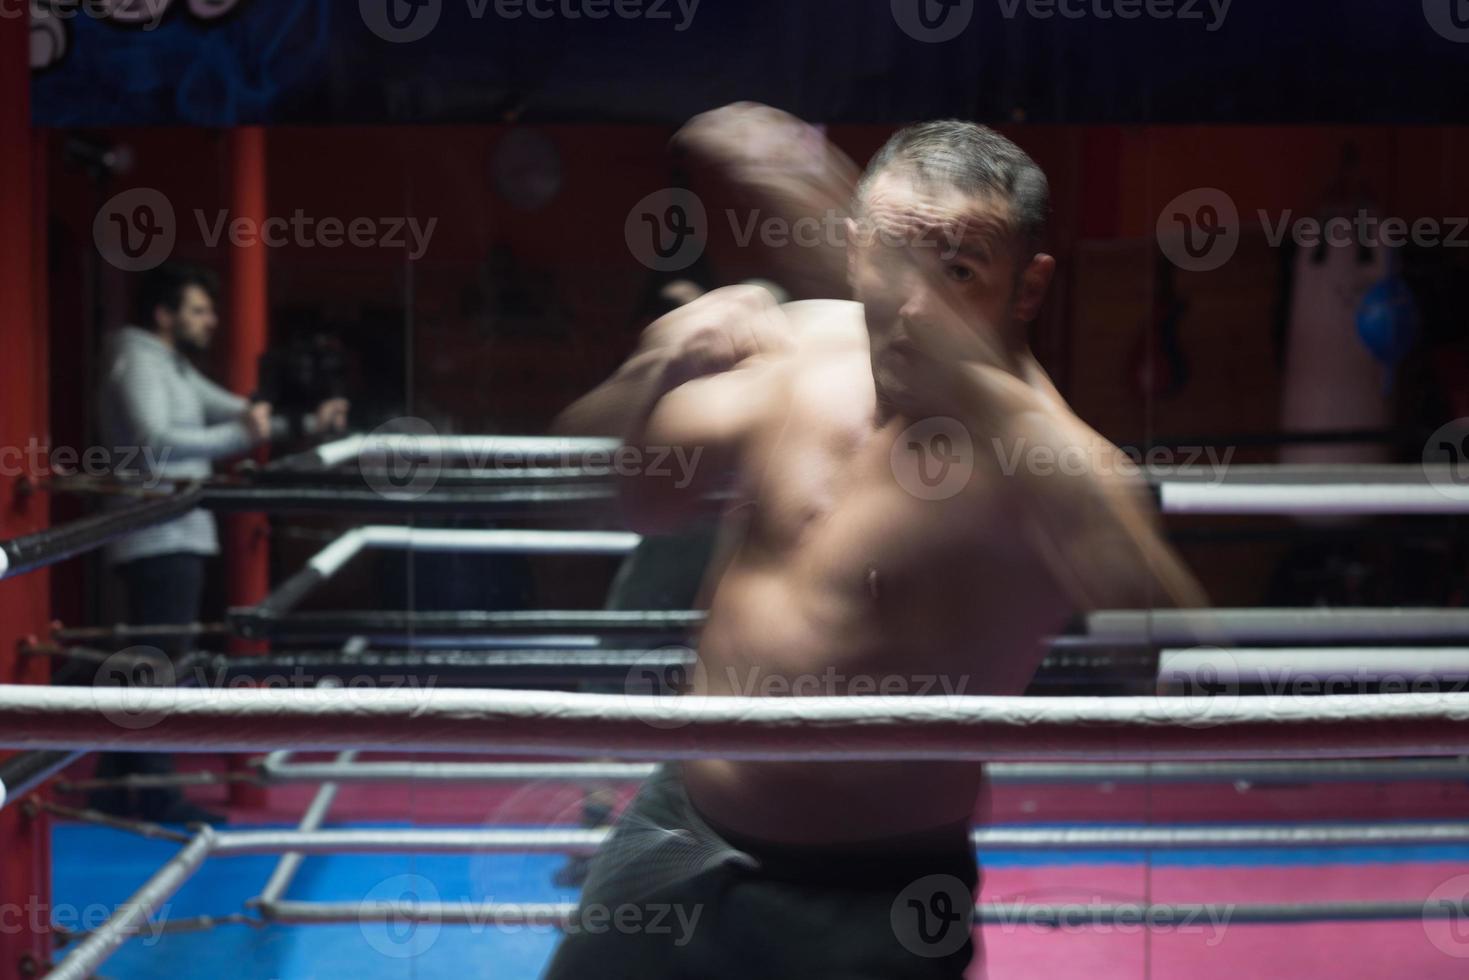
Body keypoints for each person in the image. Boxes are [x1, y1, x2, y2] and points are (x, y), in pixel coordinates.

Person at [547, 106, 1204, 978]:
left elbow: (1167, 648)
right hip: (680, 830)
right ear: (854, 247)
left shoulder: (1052, 465)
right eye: (893, 260)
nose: (913, 307)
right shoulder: (794, 356)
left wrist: (999, 406)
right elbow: (617, 495)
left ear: (1028, 288)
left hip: (878, 893)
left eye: (960, 270)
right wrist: (658, 364)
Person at [91, 262, 349, 823]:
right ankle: (151, 788)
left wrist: (304, 420)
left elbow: (237, 412)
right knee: (158, 662)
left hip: (173, 531)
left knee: (153, 658)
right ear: (164, 315)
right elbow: (153, 441)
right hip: (152, 533)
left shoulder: (172, 366)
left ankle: (116, 783)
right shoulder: (136, 360)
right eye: (199, 310)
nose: (211, 321)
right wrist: (244, 434)